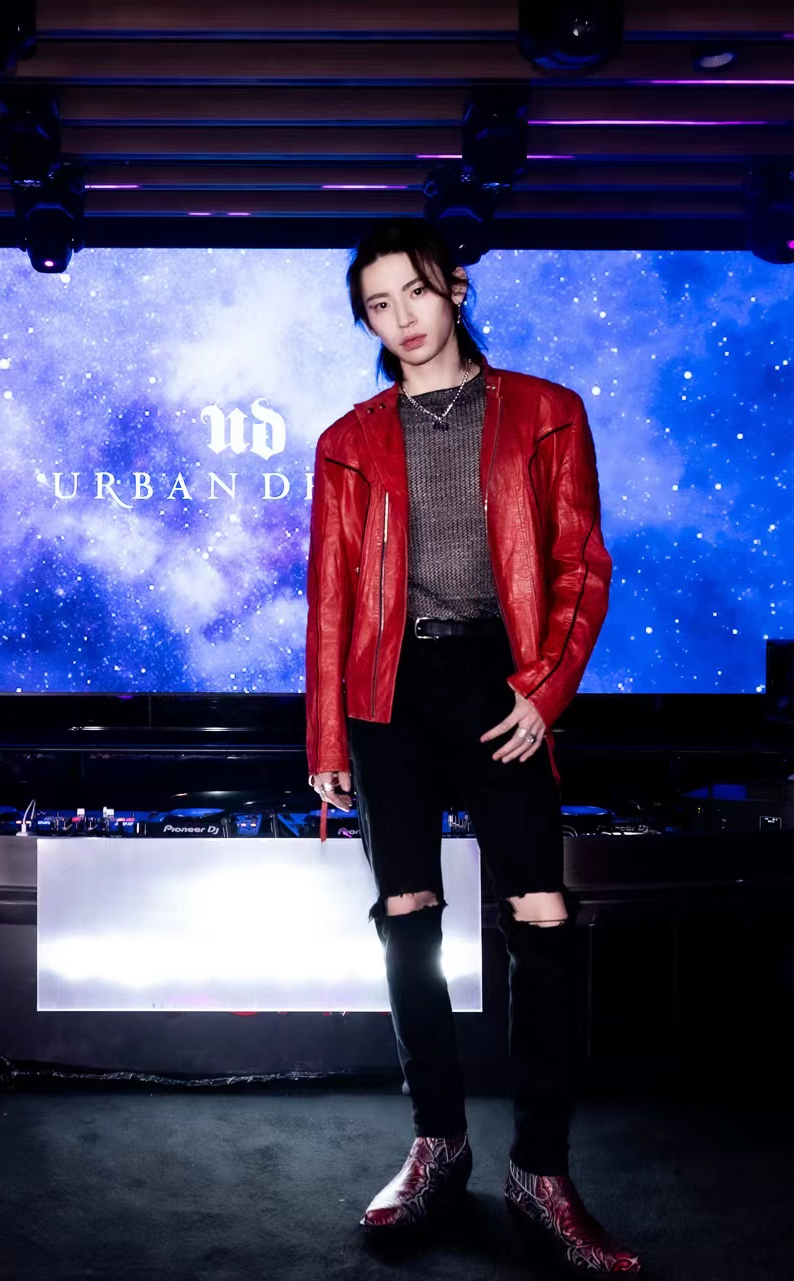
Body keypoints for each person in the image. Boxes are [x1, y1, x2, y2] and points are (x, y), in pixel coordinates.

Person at [303, 218, 639, 1272]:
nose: (401, 318)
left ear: (454, 289)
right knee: (408, 917)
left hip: (502, 683)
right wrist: (326, 732)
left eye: (415, 292)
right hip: (387, 691)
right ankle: (437, 1144)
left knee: (542, 913)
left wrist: (544, 691)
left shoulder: (545, 412)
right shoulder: (347, 440)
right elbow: (330, 600)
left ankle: (542, 1172)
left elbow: (581, 564)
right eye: (378, 305)